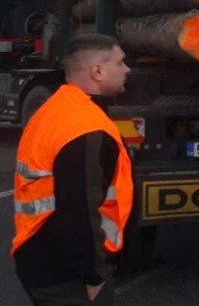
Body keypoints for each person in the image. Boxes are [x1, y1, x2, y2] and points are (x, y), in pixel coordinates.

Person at [12, 34, 133, 305]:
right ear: (97, 71)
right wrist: (94, 275)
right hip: (66, 275)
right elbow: (78, 210)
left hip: (38, 256)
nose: (127, 69)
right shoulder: (85, 128)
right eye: (120, 62)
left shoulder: (55, 110)